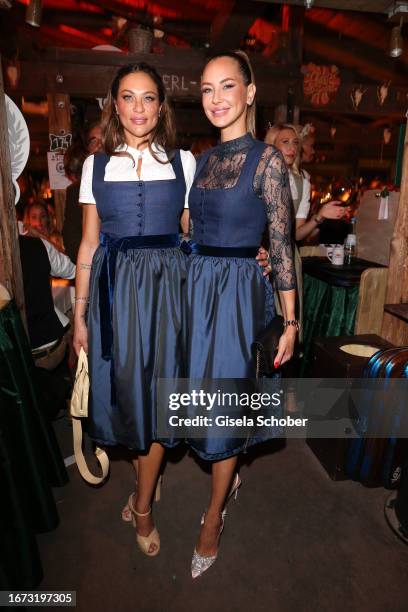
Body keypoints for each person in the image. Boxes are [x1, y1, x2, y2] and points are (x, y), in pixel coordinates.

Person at [73, 62, 197, 558]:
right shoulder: (95, 166)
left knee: (162, 397)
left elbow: (193, 232)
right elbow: (86, 245)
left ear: (161, 106)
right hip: (115, 294)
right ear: (115, 104)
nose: (139, 108)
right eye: (129, 97)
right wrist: (79, 316)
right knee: (129, 394)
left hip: (169, 293)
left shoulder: (184, 162)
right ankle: (145, 476)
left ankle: (143, 503)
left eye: (149, 98)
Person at [184, 51, 297, 578]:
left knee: (224, 409)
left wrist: (290, 321)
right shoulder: (204, 159)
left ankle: (213, 515)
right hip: (197, 291)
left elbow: (281, 245)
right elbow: (195, 227)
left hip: (235, 299)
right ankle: (226, 478)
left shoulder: (269, 160)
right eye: (207, 89)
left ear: (250, 92)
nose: (216, 99)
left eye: (227, 86)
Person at [265, 123, 346, 337]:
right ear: (271, 145)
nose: (292, 148)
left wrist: (319, 216)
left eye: (295, 143)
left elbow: (297, 234)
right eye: (285, 142)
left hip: (289, 257)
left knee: (284, 326)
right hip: (261, 256)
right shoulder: (258, 176)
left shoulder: (301, 182)